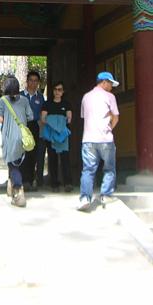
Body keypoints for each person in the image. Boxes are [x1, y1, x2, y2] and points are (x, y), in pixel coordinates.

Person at [78, 71, 120, 212]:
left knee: (88, 170)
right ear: (104, 82)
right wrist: (110, 128)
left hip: (88, 139)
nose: (111, 87)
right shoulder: (110, 97)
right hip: (105, 139)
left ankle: (85, 198)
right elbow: (116, 117)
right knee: (109, 169)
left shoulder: (86, 97)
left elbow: (84, 117)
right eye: (110, 84)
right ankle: (106, 195)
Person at [0, 76, 33, 208]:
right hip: (22, 137)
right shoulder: (24, 100)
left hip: (9, 137)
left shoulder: (1, 101)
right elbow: (30, 116)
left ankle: (18, 191)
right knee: (17, 163)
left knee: (13, 166)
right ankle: (11, 186)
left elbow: (0, 119)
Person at [41, 81, 73, 192]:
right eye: (55, 89)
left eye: (60, 90)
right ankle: (54, 184)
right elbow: (43, 118)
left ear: (63, 91)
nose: (57, 92)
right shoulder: (47, 104)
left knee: (65, 158)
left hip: (63, 134)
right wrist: (54, 123)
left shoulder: (66, 104)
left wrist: (60, 124)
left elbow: (69, 118)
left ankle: (67, 183)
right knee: (52, 158)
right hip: (51, 133)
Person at [20, 70, 45, 191]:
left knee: (33, 154)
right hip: (22, 126)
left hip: (34, 126)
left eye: (35, 81)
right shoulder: (20, 96)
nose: (33, 83)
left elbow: (42, 113)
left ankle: (30, 180)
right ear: (27, 81)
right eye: (31, 80)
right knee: (22, 154)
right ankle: (22, 180)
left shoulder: (40, 97)